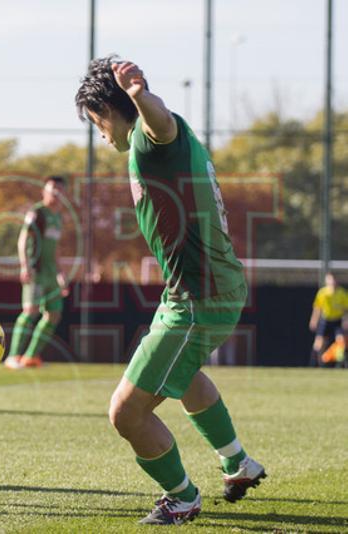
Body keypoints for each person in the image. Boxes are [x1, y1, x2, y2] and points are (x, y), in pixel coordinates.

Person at [75, 56, 266, 525]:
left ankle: (181, 497)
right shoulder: (160, 142)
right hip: (197, 291)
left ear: (111, 109)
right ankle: (238, 462)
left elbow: (159, 124)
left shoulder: (150, 135)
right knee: (185, 377)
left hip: (199, 297)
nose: (101, 135)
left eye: (99, 122)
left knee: (125, 413)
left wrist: (139, 95)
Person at [4, 176, 69, 369]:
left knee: (54, 314)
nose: (56, 193)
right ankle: (13, 357)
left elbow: (55, 248)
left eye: (60, 190)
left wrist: (60, 273)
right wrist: (25, 266)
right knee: (30, 311)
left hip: (51, 274)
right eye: (53, 188)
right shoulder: (37, 212)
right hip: (36, 270)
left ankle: (31, 356)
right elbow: (23, 239)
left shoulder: (58, 217)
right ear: (44, 190)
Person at [309, 272, 347, 367]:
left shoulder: (342, 293)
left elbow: (346, 309)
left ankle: (341, 364)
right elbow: (317, 308)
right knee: (319, 343)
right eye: (330, 279)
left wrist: (346, 320)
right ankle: (315, 365)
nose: (332, 282)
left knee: (341, 341)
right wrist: (314, 320)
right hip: (325, 321)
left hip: (337, 321)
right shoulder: (322, 293)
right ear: (326, 281)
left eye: (333, 279)